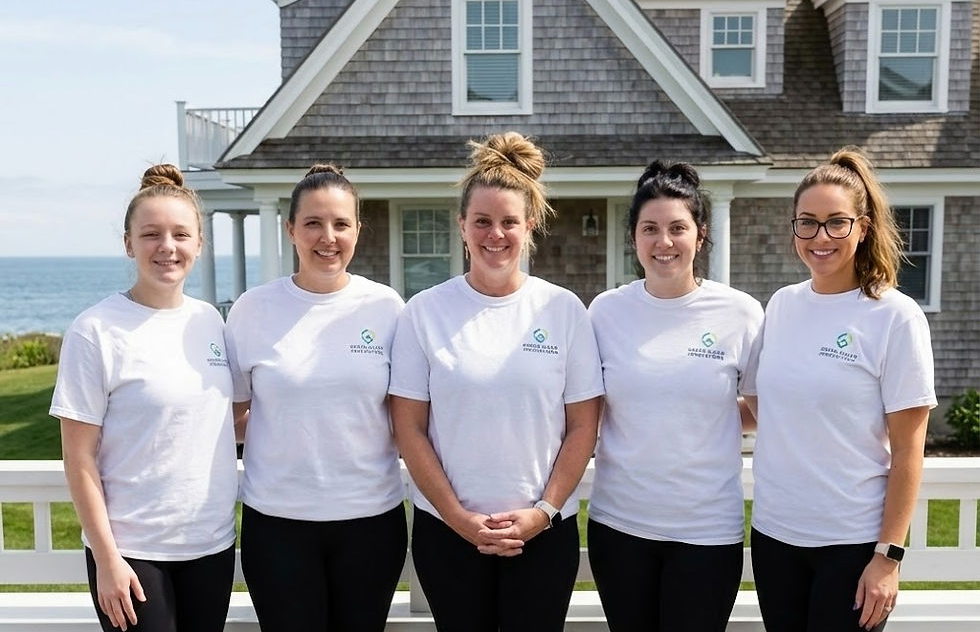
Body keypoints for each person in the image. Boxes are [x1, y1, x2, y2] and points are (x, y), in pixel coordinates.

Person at [389, 131, 604, 632]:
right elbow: (409, 429)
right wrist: (458, 518)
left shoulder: (564, 310)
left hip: (543, 531)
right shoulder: (425, 312)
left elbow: (582, 427)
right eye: (481, 221)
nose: (495, 234)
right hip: (448, 533)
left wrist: (544, 511)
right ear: (461, 226)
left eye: (509, 222)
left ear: (529, 226)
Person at [742, 147, 936, 632]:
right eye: (807, 222)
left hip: (852, 546)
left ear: (862, 227)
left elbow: (910, 451)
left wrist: (888, 557)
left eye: (836, 222)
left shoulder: (894, 317)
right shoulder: (783, 305)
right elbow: (767, 409)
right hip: (775, 536)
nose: (820, 236)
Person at [51, 164, 238, 632]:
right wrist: (108, 560)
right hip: (132, 554)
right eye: (151, 234)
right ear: (129, 243)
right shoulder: (95, 330)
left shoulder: (210, 323)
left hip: (210, 546)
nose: (167, 247)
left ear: (199, 243)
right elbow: (78, 459)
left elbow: (220, 421)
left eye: (181, 234)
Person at [224, 164, 407, 631]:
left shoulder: (387, 308)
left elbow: (406, 416)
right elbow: (233, 414)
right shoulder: (253, 309)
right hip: (278, 524)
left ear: (358, 231)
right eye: (313, 223)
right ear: (290, 230)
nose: (328, 237)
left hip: (370, 522)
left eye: (341, 224)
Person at [586, 161, 763, 632]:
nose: (664, 242)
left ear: (701, 235)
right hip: (620, 526)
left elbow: (763, 408)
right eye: (650, 229)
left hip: (706, 531)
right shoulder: (605, 312)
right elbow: (588, 411)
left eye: (677, 228)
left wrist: (711, 417)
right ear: (634, 237)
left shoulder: (739, 313)